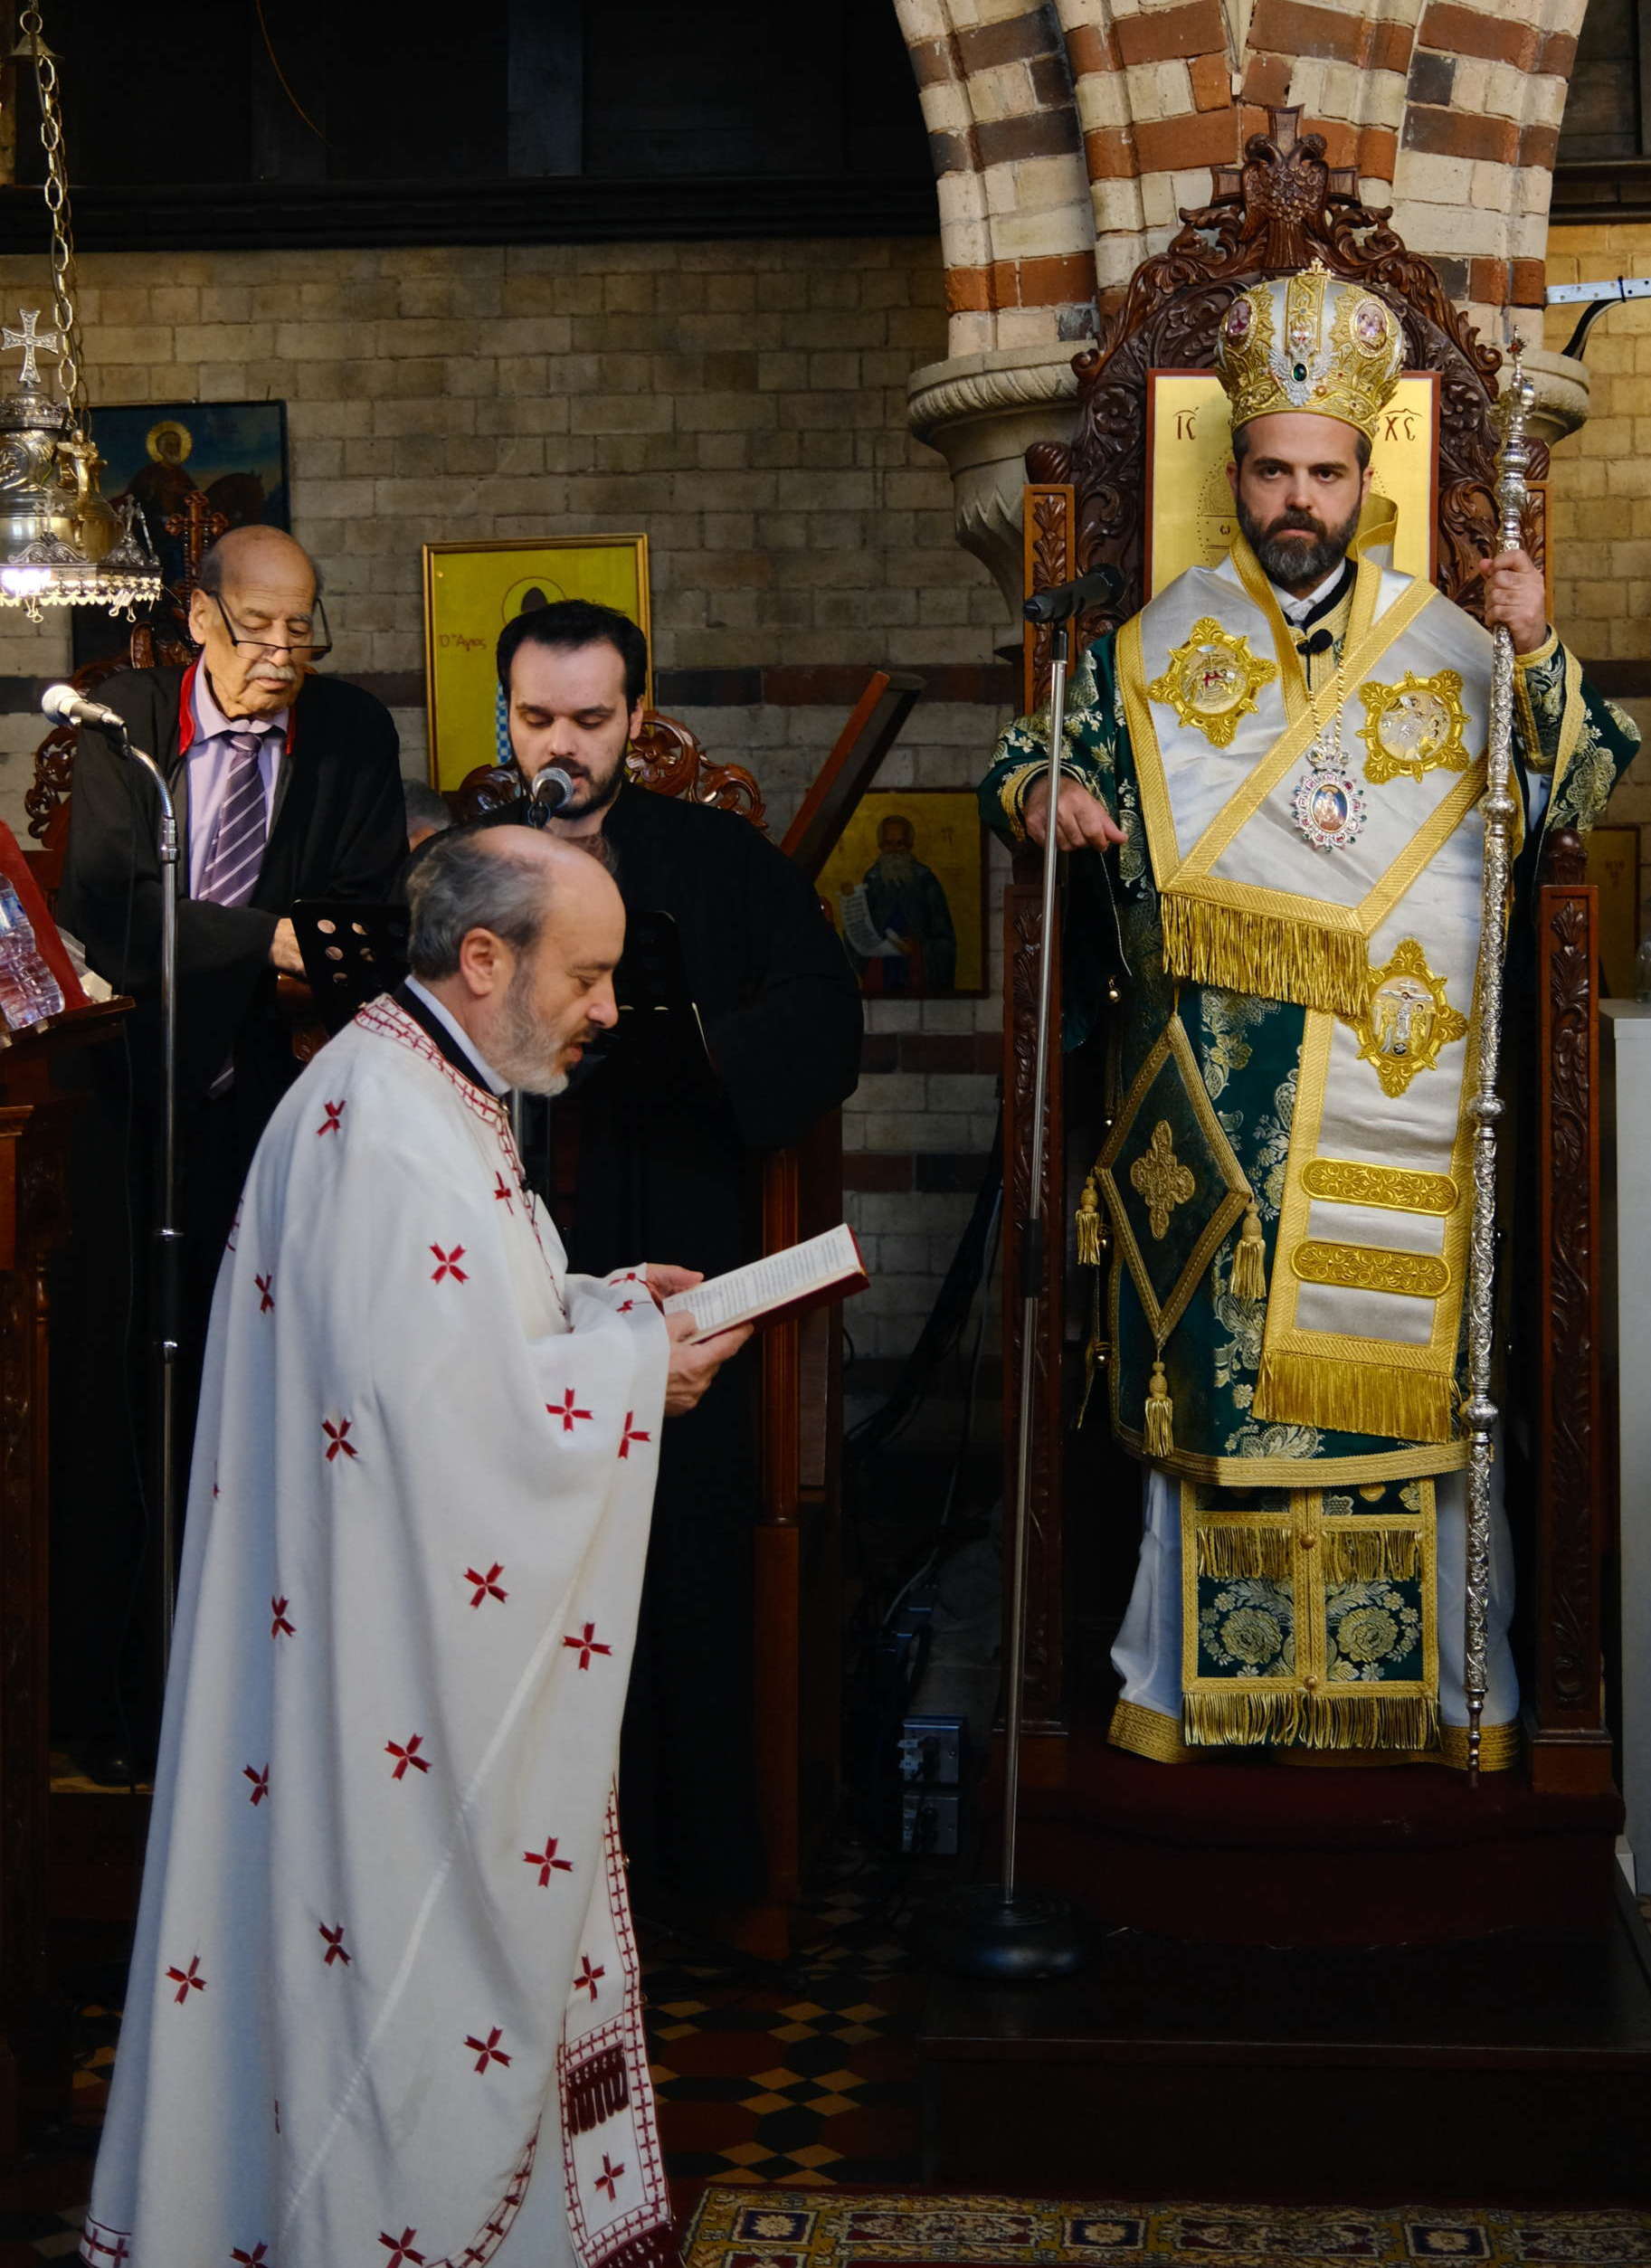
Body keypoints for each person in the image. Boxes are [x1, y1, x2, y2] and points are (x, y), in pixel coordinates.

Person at [979, 267, 1640, 1771]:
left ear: (1363, 476)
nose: (1298, 500)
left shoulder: (1451, 644)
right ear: (1235, 474)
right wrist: (1046, 790)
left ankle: (1453, 1700)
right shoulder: (1152, 649)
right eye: (1272, 470)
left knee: (1419, 1406)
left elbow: (1579, 783)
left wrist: (1538, 645)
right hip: (1212, 1122)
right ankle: (1183, 1692)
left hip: (1397, 1100)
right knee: (1211, 1418)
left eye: (1325, 474)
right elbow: (1019, 759)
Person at [81, 825, 751, 2268]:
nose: (608, 1007)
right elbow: (444, 1435)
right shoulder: (385, 1125)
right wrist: (640, 1369)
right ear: (486, 957)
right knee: (385, 1994)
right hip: (377, 1686)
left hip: (361, 1641)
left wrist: (600, 1309)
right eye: (587, 974)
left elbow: (457, 1347)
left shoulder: (421, 1084)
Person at [490, 599, 862, 1907]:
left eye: (591, 719)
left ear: (636, 720)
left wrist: (699, 1054)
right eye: (537, 717)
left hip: (672, 1235)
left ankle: (683, 1874)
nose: (563, 745)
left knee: (680, 1561)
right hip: (508, 1262)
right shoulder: (473, 868)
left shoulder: (714, 858)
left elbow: (822, 1012)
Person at [53, 525, 405, 1778]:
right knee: (118, 1394)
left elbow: (363, 918)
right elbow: (106, 907)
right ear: (198, 618)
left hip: (276, 1107)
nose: (282, 655)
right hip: (124, 1103)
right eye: (257, 628)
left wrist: (235, 942)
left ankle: (261, 1703)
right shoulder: (123, 723)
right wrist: (264, 941)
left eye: (302, 627)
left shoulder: (349, 731)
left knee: (261, 1399)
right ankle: (114, 1706)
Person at [851, 810, 957, 992]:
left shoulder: (926, 880)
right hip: (881, 965)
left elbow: (943, 935)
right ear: (880, 845)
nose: (894, 850)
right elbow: (862, 930)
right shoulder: (872, 880)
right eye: (888, 844)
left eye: (900, 844)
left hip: (917, 966)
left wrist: (919, 948)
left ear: (910, 845)